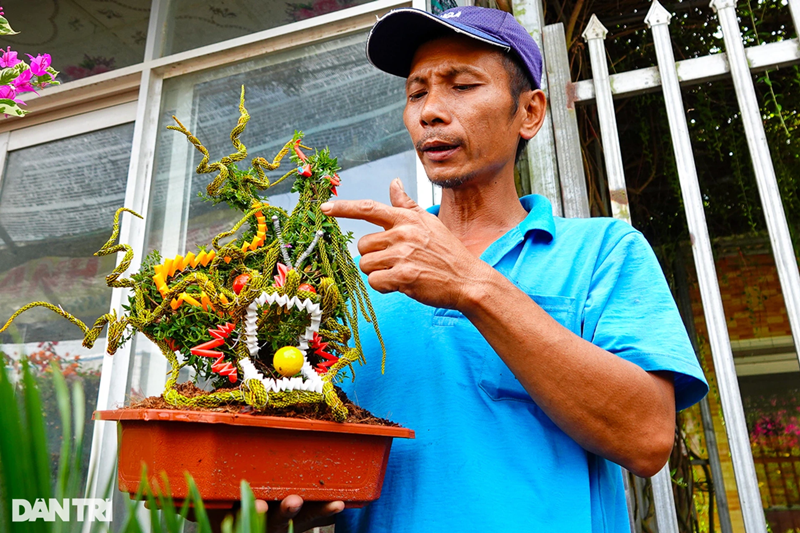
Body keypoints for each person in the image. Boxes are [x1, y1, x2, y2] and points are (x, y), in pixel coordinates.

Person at [261, 6, 708, 532]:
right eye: (416, 92)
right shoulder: (364, 277)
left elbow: (646, 438)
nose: (430, 111)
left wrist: (471, 284)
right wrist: (280, 499)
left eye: (463, 85)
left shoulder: (602, 252)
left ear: (530, 113)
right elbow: (313, 445)